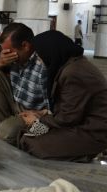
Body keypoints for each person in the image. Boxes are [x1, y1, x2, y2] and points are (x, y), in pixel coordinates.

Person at [19, 30, 107, 162]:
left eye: (40, 54)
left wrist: (38, 120)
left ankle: (93, 152)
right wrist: (42, 113)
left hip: (94, 131)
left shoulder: (74, 72)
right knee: (27, 134)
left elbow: (68, 118)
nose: (39, 59)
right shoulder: (71, 65)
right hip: (83, 123)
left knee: (32, 143)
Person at [0, 23, 49, 146]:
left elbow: (56, 110)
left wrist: (39, 115)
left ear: (25, 46)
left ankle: (6, 132)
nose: (6, 55)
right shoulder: (10, 55)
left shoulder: (44, 64)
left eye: (10, 52)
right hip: (16, 101)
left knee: (7, 131)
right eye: (4, 51)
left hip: (32, 113)